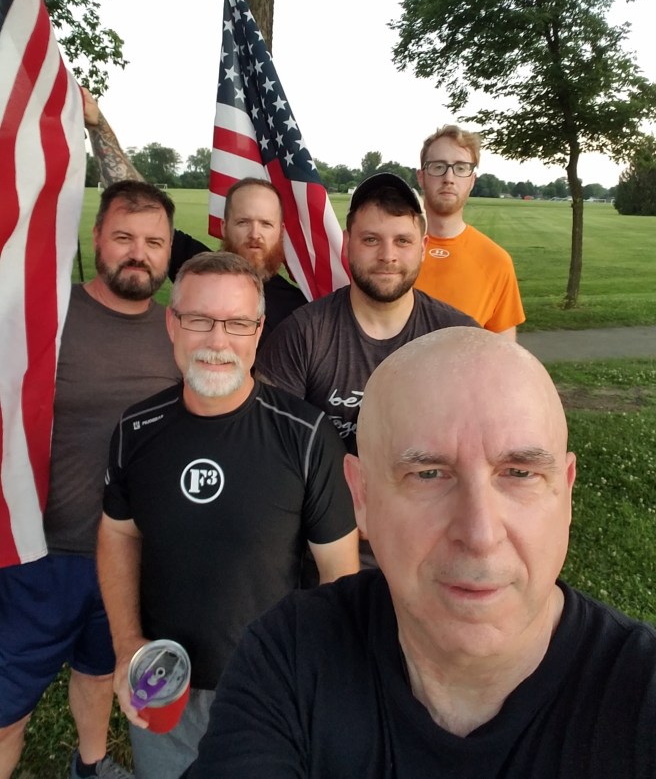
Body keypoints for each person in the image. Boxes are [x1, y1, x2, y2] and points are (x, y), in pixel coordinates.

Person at [185, 327, 656, 778]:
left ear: (566, 494)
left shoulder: (642, 692)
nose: (480, 533)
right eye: (429, 474)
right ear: (361, 497)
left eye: (520, 473)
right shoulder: (290, 655)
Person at [97, 251, 359, 779]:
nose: (218, 341)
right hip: (164, 682)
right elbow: (118, 535)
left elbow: (340, 576)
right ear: (172, 323)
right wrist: (127, 646)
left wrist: (320, 679)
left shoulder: (307, 437)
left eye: (237, 323)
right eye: (199, 319)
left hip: (269, 690)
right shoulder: (136, 429)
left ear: (258, 332)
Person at [0, 181, 180, 779]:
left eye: (154, 242)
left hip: (129, 552)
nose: (139, 254)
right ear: (96, 236)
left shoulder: (179, 331)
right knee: (7, 708)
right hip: (39, 556)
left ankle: (91, 764)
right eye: (124, 237)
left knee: (101, 670)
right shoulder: (46, 316)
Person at [256, 171, 479, 455]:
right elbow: (271, 448)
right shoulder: (302, 336)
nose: (387, 256)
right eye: (371, 240)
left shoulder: (459, 339)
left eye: (403, 241)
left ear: (423, 248)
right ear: (347, 243)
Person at [83, 90, 307, 346]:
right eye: (243, 222)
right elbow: (138, 201)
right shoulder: (199, 269)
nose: (254, 234)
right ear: (224, 227)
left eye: (265, 224)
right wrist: (98, 124)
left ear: (280, 231)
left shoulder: (298, 309)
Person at [414, 125, 525, 339]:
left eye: (461, 168)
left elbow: (504, 351)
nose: (448, 177)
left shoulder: (496, 262)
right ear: (421, 176)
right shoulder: (393, 252)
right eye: (438, 167)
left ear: (472, 180)